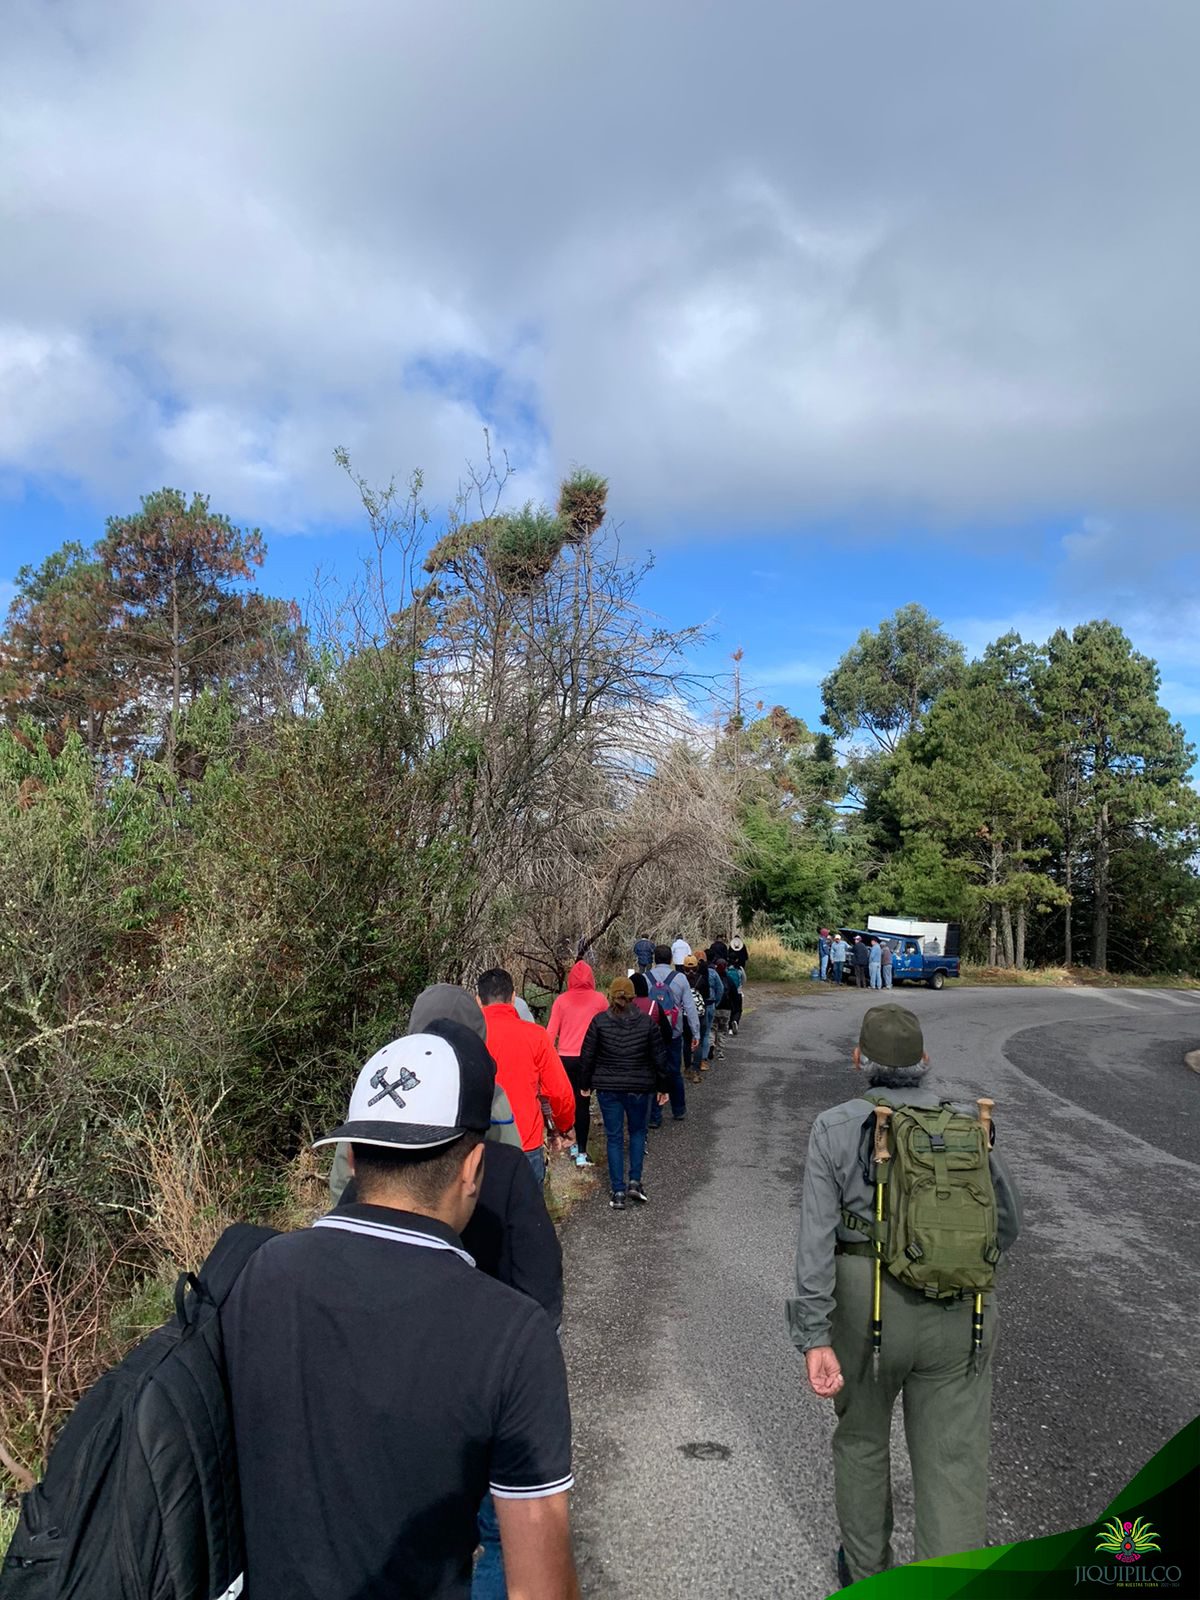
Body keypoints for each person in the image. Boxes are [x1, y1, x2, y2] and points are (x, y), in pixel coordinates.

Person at [225, 1020, 580, 1600]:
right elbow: (541, 1589)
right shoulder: (513, 1335)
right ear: (471, 1169)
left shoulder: (260, 1272)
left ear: (356, 1156)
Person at [788, 1004, 1021, 1588]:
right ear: (925, 1061)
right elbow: (1007, 1223)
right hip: (959, 1312)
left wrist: (814, 1334)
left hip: (865, 1311)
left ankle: (867, 1573)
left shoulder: (835, 1127)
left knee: (863, 1441)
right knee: (953, 1458)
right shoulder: (967, 1125)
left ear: (859, 1060)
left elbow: (816, 1240)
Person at [579, 976, 669, 1209]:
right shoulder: (647, 1023)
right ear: (633, 997)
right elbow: (659, 1057)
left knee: (614, 1137)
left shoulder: (599, 1022)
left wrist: (585, 1083)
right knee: (638, 1133)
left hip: (609, 1087)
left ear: (610, 995)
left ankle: (617, 1191)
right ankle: (635, 1182)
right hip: (640, 1086)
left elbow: (587, 1055)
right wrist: (663, 1086)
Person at [479, 968, 576, 1184]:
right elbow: (559, 1092)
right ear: (513, 998)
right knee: (527, 1214)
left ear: (478, 1000)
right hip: (525, 1142)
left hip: (479, 1146)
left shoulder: (468, 1036)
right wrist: (564, 1126)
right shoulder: (536, 1036)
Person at [546, 962, 609, 1169]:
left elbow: (550, 1033)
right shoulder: (600, 999)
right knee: (583, 1103)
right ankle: (581, 1151)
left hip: (565, 1058)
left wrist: (546, 1059)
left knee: (567, 1102)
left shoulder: (561, 1001)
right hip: (589, 1059)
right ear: (591, 978)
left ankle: (570, 1142)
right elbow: (606, 1028)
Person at [646, 944, 700, 1124]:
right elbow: (690, 1008)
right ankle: (678, 1109)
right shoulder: (680, 979)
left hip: (651, 1035)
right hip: (674, 1033)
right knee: (674, 1072)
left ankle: (655, 1116)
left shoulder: (646, 978)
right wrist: (695, 1033)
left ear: (654, 959)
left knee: (653, 1072)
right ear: (671, 959)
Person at [721, 957, 744, 1034]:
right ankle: (735, 1021)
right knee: (738, 1009)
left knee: (730, 1009)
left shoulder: (726, 969)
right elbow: (744, 979)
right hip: (738, 992)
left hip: (729, 992)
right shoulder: (740, 969)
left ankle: (730, 1028)